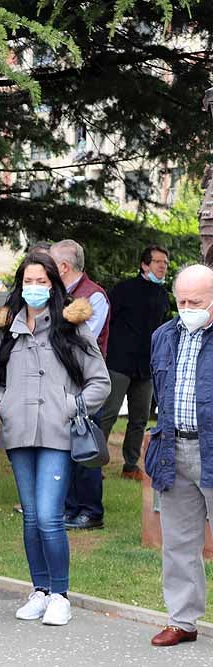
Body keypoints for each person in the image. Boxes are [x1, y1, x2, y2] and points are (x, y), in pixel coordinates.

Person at [0, 252, 109, 627]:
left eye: (42, 282)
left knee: (48, 516)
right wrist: (2, 405)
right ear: (19, 285)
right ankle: (39, 591)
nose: (34, 288)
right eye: (28, 281)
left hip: (58, 434)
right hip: (19, 432)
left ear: (54, 285)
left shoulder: (72, 327)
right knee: (30, 519)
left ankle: (60, 594)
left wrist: (69, 407)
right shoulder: (5, 328)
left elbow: (100, 382)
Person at [147, 264, 213, 647]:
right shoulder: (163, 336)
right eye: (182, 300)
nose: (187, 307)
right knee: (178, 542)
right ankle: (182, 620)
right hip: (173, 447)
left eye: (197, 302)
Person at [49, 240, 111, 532]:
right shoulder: (56, 295)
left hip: (85, 386)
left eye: (50, 263)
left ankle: (90, 510)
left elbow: (81, 341)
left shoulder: (94, 297)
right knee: (65, 447)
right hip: (59, 385)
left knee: (86, 447)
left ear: (63, 266)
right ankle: (70, 506)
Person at [100, 245, 170, 481]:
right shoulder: (123, 289)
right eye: (158, 262)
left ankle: (130, 466)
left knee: (139, 418)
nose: (163, 266)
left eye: (165, 263)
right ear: (144, 265)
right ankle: (93, 463)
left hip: (146, 366)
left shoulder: (162, 296)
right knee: (107, 414)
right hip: (119, 363)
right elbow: (106, 321)